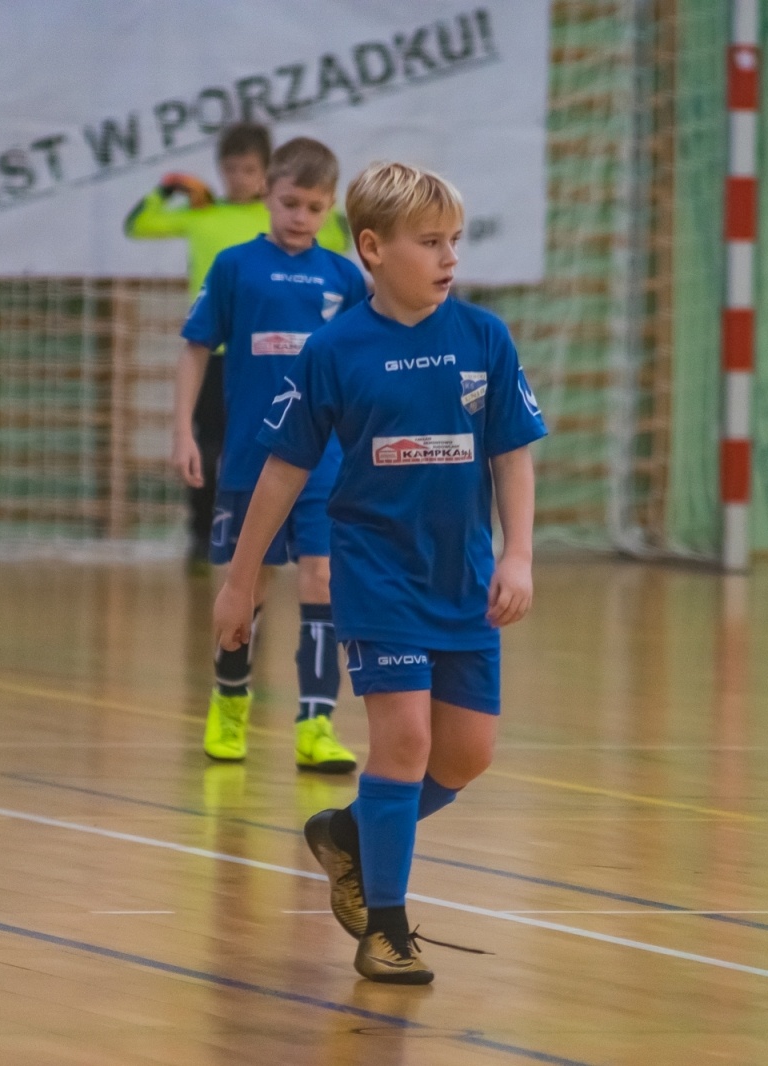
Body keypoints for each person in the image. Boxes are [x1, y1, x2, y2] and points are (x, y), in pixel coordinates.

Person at [212, 162, 546, 983]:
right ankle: (387, 931)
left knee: (466, 755)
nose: (449, 258)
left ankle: (350, 834)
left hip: (462, 578)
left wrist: (518, 554)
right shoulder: (334, 351)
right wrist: (240, 579)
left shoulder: (483, 338)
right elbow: (283, 471)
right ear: (372, 248)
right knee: (404, 742)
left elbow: (512, 455)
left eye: (454, 242)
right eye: (429, 242)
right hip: (376, 576)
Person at [176, 138, 368, 774]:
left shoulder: (344, 277)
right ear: (267, 195)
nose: (300, 218)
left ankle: (316, 723)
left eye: (315, 207)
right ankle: (230, 702)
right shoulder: (234, 267)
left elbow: (364, 366)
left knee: (323, 581)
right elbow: (196, 347)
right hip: (252, 458)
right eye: (290, 203)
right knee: (248, 583)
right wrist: (183, 430)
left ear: (330, 209)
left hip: (326, 464)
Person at [125, 122, 349, 573]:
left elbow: (341, 235)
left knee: (291, 448)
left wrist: (321, 199)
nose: (238, 179)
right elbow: (138, 224)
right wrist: (170, 187)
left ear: (266, 176)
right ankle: (204, 530)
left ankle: (291, 540)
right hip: (223, 352)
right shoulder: (205, 215)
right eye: (230, 169)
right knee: (212, 447)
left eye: (249, 169)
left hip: (283, 357)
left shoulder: (295, 218)